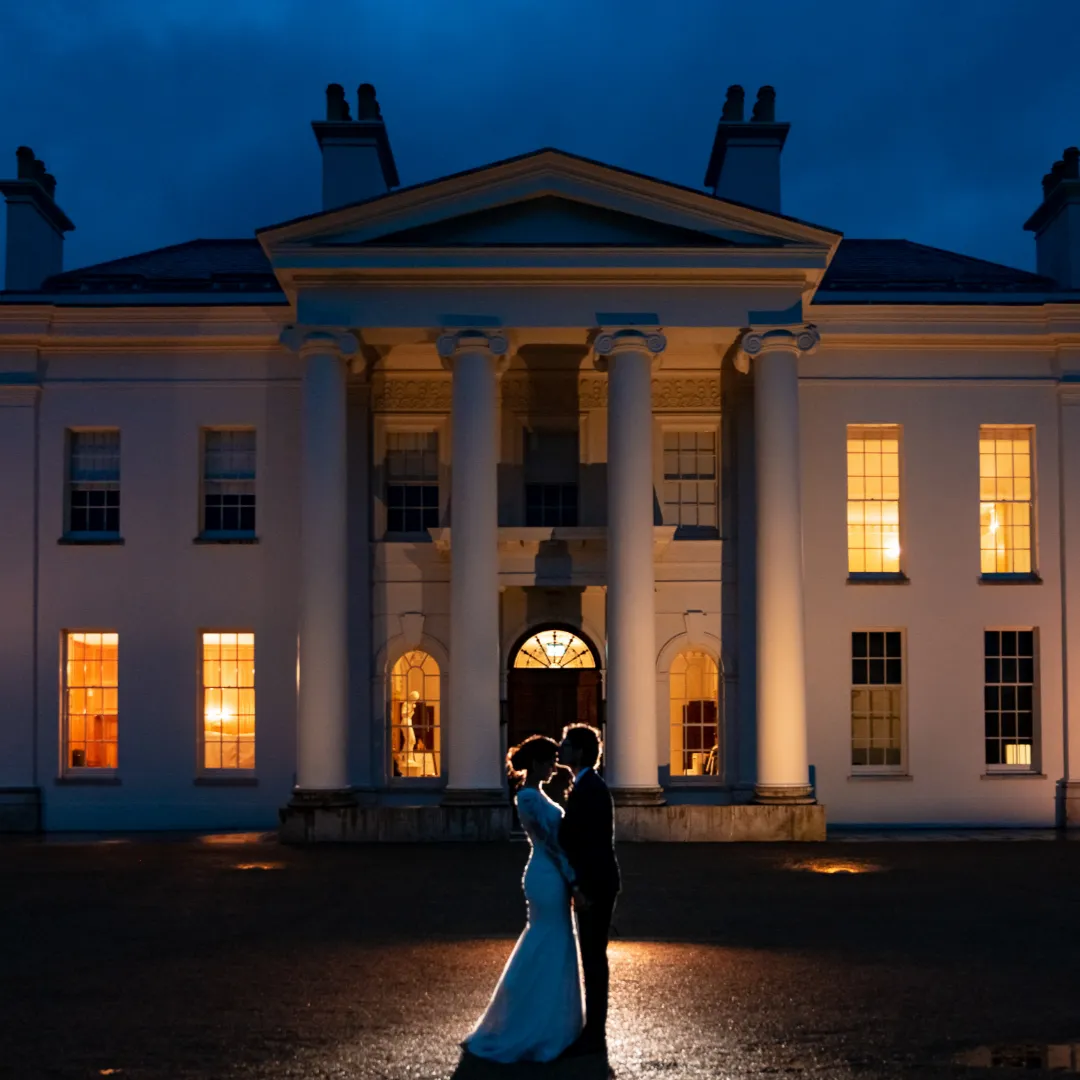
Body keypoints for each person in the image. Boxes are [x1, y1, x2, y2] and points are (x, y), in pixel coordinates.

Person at [462, 735, 587, 1063]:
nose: (552, 766)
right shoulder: (529, 798)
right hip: (546, 876)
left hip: (549, 875)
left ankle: (553, 1023)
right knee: (549, 942)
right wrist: (573, 881)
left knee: (552, 943)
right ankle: (539, 1025)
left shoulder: (537, 794)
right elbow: (549, 844)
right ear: (534, 763)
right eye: (548, 760)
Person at [557, 723, 620, 1058]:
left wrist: (579, 886)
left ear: (579, 752)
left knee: (594, 958)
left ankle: (594, 1034)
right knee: (594, 957)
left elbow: (588, 844)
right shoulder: (586, 786)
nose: (561, 748)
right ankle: (593, 1030)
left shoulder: (590, 789)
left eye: (566, 744)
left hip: (595, 884)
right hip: (598, 881)